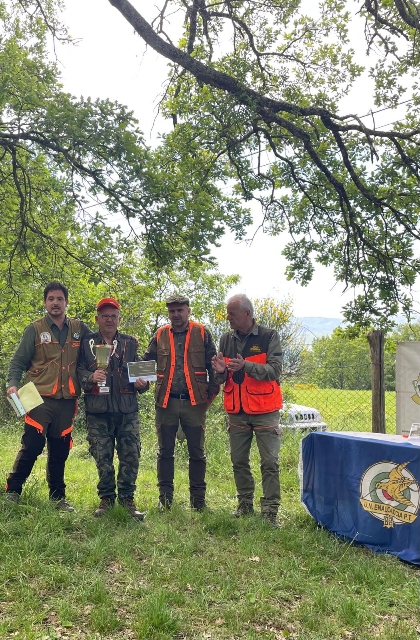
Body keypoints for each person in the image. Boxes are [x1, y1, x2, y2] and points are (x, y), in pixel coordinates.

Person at [4, 281, 92, 511]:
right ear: (45, 302)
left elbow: (97, 348)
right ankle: (13, 490)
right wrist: (13, 385)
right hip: (36, 396)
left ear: (66, 302)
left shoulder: (79, 328)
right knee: (32, 444)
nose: (55, 303)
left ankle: (57, 497)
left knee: (60, 448)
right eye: (51, 298)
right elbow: (18, 363)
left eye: (60, 299)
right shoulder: (34, 329)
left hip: (67, 399)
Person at [212, 294, 283, 527]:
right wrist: (221, 371)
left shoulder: (269, 336)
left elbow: (274, 370)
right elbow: (221, 377)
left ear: (247, 314)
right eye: (227, 313)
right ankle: (244, 505)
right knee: (238, 460)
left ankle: (270, 512)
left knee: (269, 462)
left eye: (232, 313)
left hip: (264, 409)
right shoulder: (225, 339)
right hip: (237, 410)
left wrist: (247, 366)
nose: (228, 317)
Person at [143, 294, 219, 511]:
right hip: (166, 402)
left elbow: (213, 366)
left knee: (197, 452)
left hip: (194, 403)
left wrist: (209, 396)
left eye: (180, 310)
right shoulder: (160, 334)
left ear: (188, 311)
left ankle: (198, 502)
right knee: (165, 451)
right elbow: (147, 363)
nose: (176, 314)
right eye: (172, 311)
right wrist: (134, 375)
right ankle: (164, 500)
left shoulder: (202, 333)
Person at [77, 297, 148, 519]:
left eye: (113, 316)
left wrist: (143, 383)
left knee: (131, 456)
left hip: (127, 410)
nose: (109, 319)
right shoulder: (86, 343)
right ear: (97, 319)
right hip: (98, 410)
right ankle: (106, 499)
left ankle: (128, 500)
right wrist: (90, 376)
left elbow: (142, 374)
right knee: (102, 456)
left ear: (119, 319)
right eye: (105, 316)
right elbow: (77, 371)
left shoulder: (130, 343)